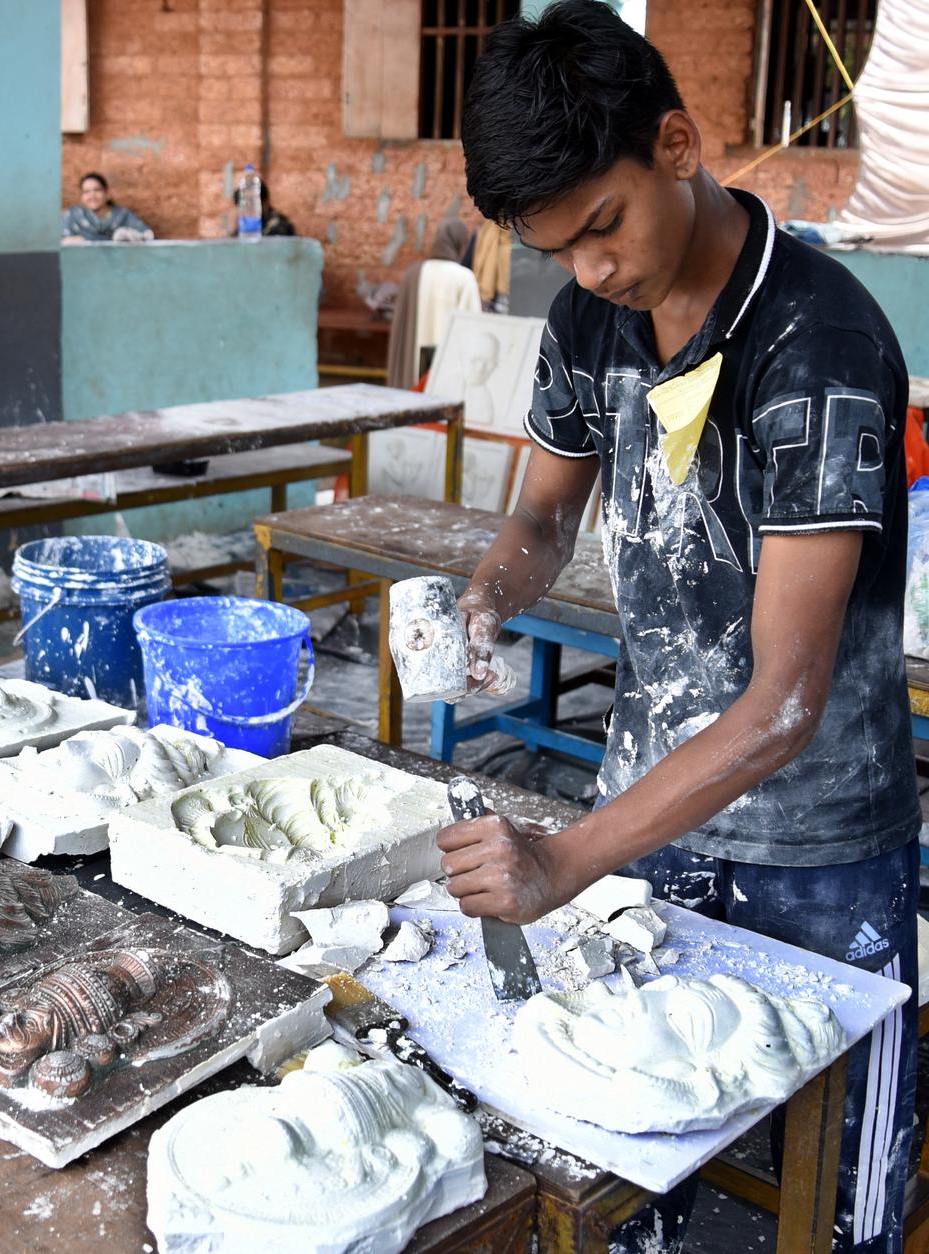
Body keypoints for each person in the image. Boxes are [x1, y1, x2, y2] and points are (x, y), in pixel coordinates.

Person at [439, 5, 918, 1252]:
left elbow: (783, 704)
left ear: (679, 142)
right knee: (643, 1190)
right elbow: (543, 520)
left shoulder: (819, 345)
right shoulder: (588, 321)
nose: (592, 269)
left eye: (604, 226)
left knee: (826, 1212)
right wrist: (483, 601)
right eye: (560, 251)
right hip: (651, 826)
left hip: (813, 857)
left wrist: (567, 859)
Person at [386, 219, 481, 389]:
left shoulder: (412, 273)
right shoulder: (464, 277)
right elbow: (473, 326)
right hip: (447, 365)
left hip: (412, 363)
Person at [62, 172, 154, 244]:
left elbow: (148, 235)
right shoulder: (73, 216)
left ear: (106, 193)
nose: (92, 195)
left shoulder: (122, 215)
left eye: (97, 190)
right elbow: (55, 242)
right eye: (86, 192)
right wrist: (67, 241)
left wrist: (130, 236)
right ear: (82, 197)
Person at [231, 176, 296, 237]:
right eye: (243, 207)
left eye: (251, 205)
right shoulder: (245, 225)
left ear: (265, 203)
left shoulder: (279, 225)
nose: (247, 211)